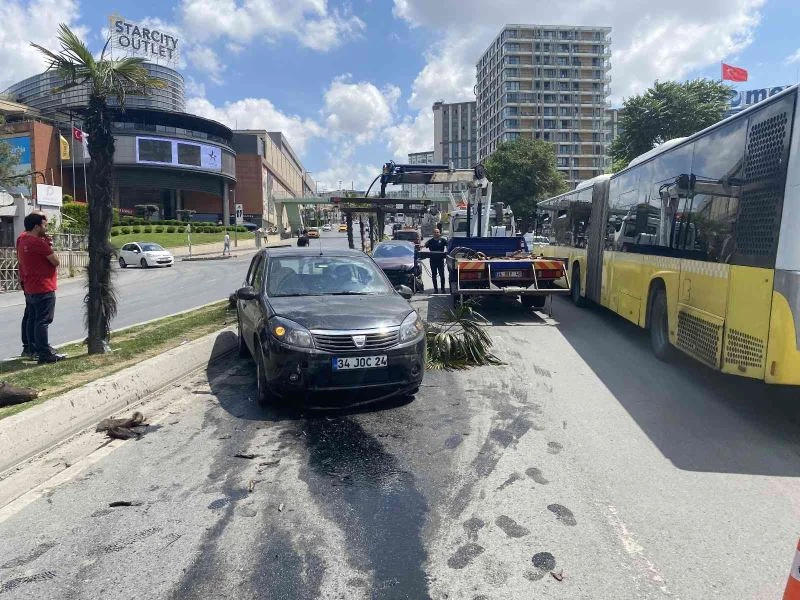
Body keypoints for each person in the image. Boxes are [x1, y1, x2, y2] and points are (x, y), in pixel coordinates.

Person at [17, 212, 65, 364]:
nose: (47, 227)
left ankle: (34, 348)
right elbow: (55, 261)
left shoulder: (23, 240)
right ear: (37, 226)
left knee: (33, 318)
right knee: (43, 321)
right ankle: (44, 352)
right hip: (43, 286)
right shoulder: (37, 243)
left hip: (31, 285)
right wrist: (47, 245)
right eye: (45, 224)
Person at [16, 214, 36, 359]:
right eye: (43, 222)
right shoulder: (24, 238)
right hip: (29, 281)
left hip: (31, 280)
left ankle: (32, 346)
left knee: (32, 313)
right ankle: (29, 347)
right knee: (31, 313)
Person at [424, 228, 448, 294]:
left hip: (440, 261)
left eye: (437, 232)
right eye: (435, 232)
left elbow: (449, 246)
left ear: (439, 233)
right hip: (433, 261)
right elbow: (424, 246)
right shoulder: (430, 241)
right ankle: (436, 290)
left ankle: (443, 289)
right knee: (434, 276)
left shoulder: (443, 240)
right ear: (433, 233)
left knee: (442, 276)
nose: (436, 233)